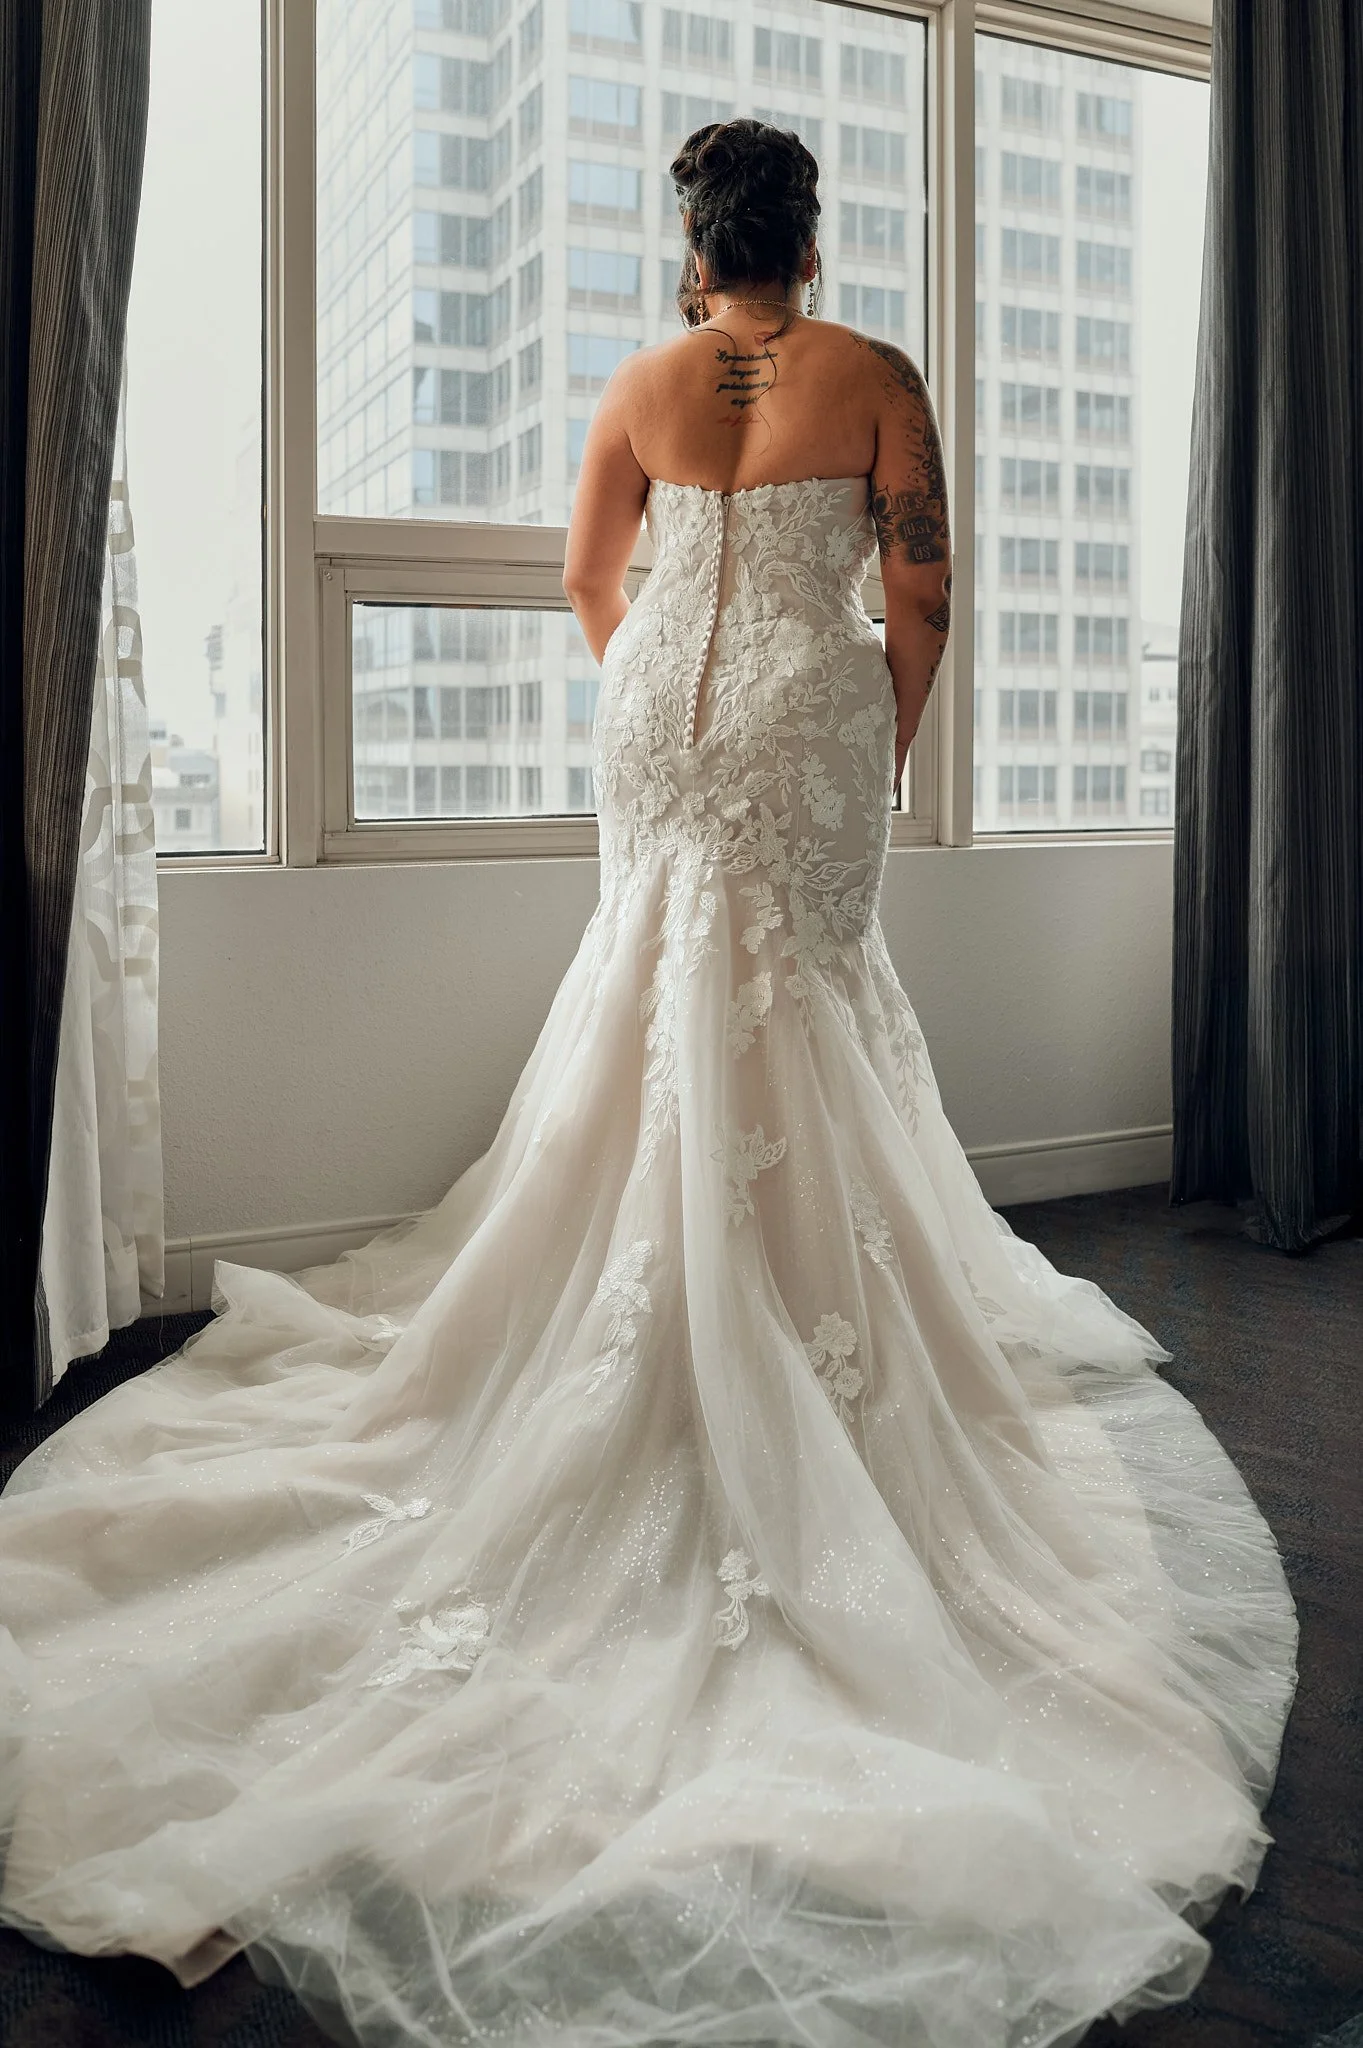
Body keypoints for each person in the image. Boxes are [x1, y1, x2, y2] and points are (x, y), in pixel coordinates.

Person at [0, 120, 1296, 2048]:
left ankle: (658, 1296)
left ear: (694, 241)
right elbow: (920, 595)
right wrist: (869, 718)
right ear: (813, 236)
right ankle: (771, 1312)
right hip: (801, 709)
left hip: (658, 720)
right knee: (802, 1005)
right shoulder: (877, 378)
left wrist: (661, 706)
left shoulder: (633, 382)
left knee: (652, 1000)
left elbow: (588, 582)